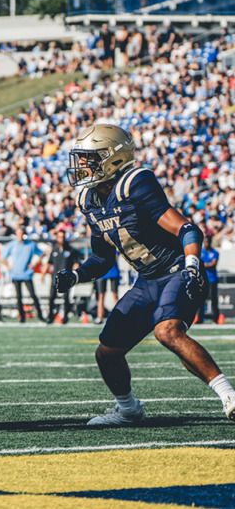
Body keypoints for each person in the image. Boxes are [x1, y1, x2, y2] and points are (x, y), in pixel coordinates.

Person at [54, 124, 235, 425]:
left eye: (89, 157)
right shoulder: (89, 200)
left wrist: (192, 264)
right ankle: (128, 410)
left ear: (111, 158)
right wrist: (75, 276)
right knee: (107, 352)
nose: (82, 165)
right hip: (147, 280)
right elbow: (102, 258)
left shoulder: (134, 183)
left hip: (177, 269)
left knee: (167, 331)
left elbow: (187, 229)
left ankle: (228, 394)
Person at [4, 227, 46, 323]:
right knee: (18, 296)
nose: (19, 235)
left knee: (33, 295)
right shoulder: (12, 245)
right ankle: (22, 317)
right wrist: (8, 265)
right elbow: (2, 257)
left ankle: (40, 316)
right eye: (18, 233)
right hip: (15, 274)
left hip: (27, 274)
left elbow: (42, 254)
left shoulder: (30, 244)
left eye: (21, 233)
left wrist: (35, 264)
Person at [46, 229, 80, 324]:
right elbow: (50, 262)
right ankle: (50, 317)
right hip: (55, 277)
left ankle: (65, 317)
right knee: (52, 297)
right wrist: (44, 273)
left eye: (63, 237)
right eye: (60, 237)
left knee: (66, 298)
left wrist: (75, 272)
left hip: (66, 278)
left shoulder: (71, 250)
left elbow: (76, 263)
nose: (61, 239)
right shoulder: (54, 250)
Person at [201, 235, 220, 323]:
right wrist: (207, 265)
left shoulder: (215, 252)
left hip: (212, 279)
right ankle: (200, 318)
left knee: (213, 300)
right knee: (201, 300)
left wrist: (204, 265)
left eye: (208, 241)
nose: (206, 243)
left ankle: (216, 318)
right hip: (202, 279)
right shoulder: (201, 251)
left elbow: (213, 264)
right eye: (205, 241)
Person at [96, 257, 121, 323]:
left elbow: (115, 257)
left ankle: (117, 317)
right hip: (101, 271)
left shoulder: (114, 246)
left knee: (115, 295)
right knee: (101, 295)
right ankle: (99, 317)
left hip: (113, 271)